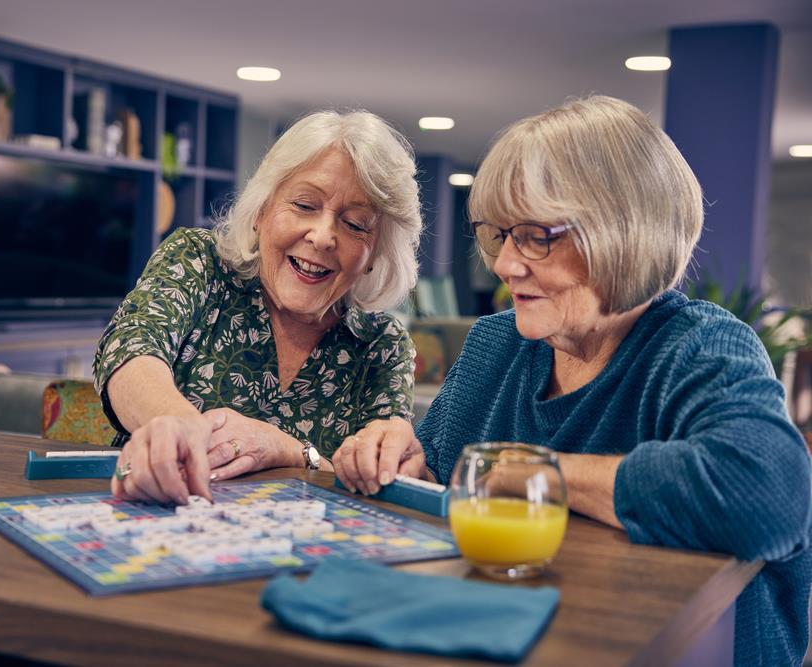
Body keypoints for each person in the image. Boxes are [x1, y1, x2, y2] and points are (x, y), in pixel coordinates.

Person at [333, 96, 811, 666]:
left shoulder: (699, 345)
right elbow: (441, 480)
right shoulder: (495, 342)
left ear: (625, 232)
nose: (506, 265)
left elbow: (768, 497)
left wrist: (531, 475)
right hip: (516, 638)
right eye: (502, 234)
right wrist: (399, 458)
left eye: (537, 235)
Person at [94, 110, 422, 506]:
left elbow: (380, 480)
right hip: (154, 518)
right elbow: (131, 349)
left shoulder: (382, 346)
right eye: (304, 204)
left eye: (355, 225)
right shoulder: (200, 263)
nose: (322, 237)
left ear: (375, 253)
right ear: (262, 210)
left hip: (300, 558)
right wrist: (178, 425)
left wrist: (290, 450)